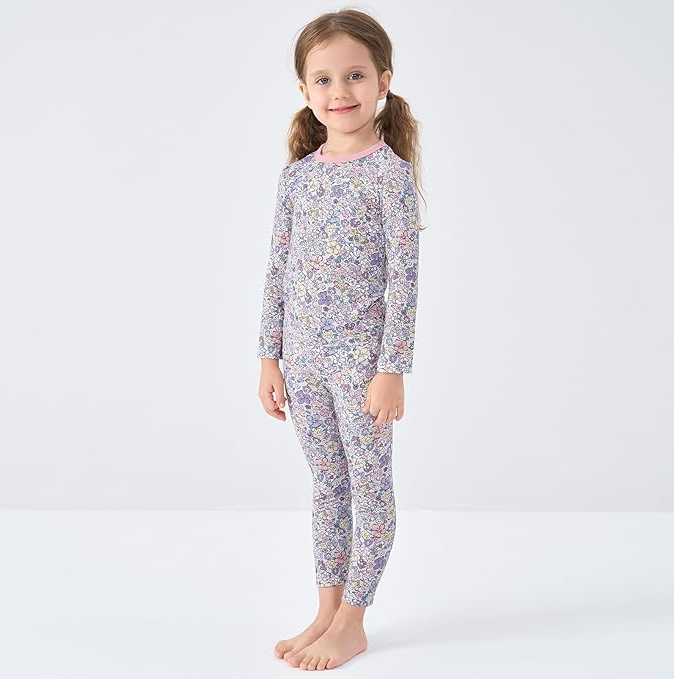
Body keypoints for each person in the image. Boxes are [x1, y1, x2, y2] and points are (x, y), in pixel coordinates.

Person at [257, 8, 427, 671]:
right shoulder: (297, 177)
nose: (339, 91)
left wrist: (392, 367)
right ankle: (326, 610)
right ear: (305, 90)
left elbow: (404, 280)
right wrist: (268, 357)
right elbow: (277, 270)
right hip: (301, 364)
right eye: (323, 79)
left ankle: (354, 620)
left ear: (383, 80)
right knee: (327, 487)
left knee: (370, 489)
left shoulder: (390, 175)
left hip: (362, 367)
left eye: (355, 75)